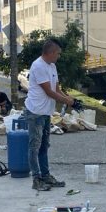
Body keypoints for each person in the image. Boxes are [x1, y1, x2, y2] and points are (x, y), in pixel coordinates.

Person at [24, 40, 76, 191]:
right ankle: (36, 179)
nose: (59, 56)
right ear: (51, 52)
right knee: (34, 146)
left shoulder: (52, 66)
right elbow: (49, 92)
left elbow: (56, 89)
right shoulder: (38, 66)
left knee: (44, 146)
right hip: (35, 112)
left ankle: (46, 176)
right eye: (58, 53)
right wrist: (66, 101)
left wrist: (69, 99)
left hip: (46, 112)